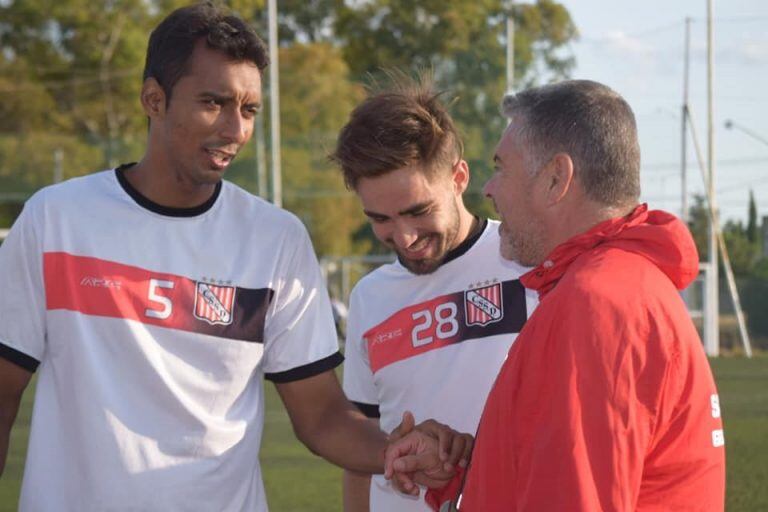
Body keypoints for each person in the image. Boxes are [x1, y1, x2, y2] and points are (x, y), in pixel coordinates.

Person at [0, 3, 465, 510]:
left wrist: (394, 451)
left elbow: (322, 417)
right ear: (154, 99)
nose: (235, 130)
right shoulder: (56, 220)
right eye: (213, 103)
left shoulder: (276, 239)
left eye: (248, 110)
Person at [385, 80, 726, 511]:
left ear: (555, 180)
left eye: (501, 167)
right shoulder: (615, 287)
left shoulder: (598, 303)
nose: (489, 188)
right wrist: (463, 477)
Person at [331, 75, 537, 511]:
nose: (403, 238)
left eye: (418, 211)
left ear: (459, 176)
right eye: (380, 219)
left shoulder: (529, 264)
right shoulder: (371, 297)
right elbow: (361, 452)